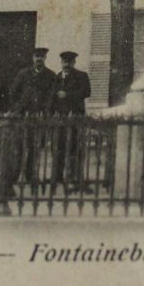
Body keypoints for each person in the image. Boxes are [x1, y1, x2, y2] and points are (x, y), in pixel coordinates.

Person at [9, 48, 58, 186]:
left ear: (45, 58)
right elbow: (13, 92)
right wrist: (18, 109)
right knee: (19, 147)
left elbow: (51, 96)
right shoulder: (23, 74)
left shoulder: (50, 75)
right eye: (37, 56)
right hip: (23, 116)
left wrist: (46, 111)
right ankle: (15, 175)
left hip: (39, 117)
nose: (39, 59)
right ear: (32, 58)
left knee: (34, 147)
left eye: (42, 57)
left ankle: (30, 176)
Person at [51, 50, 92, 187]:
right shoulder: (57, 77)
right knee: (59, 147)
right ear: (61, 63)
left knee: (75, 148)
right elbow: (52, 96)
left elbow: (86, 91)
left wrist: (67, 95)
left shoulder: (81, 76)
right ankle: (58, 178)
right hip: (60, 118)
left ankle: (75, 178)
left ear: (74, 62)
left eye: (69, 62)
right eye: (64, 62)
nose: (66, 65)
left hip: (76, 117)